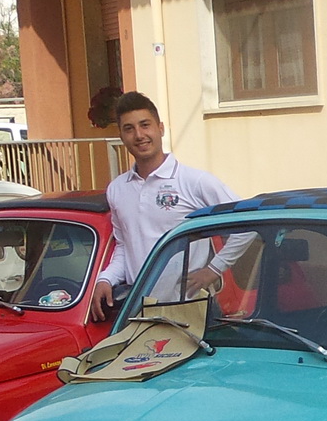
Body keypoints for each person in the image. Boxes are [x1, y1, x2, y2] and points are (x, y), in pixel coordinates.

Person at [89, 92, 251, 321]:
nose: (139, 135)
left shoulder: (194, 182)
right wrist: (106, 279)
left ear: (160, 128)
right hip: (141, 309)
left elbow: (247, 225)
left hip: (191, 309)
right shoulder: (117, 189)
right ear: (121, 135)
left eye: (145, 125)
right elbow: (125, 246)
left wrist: (213, 270)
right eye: (129, 128)